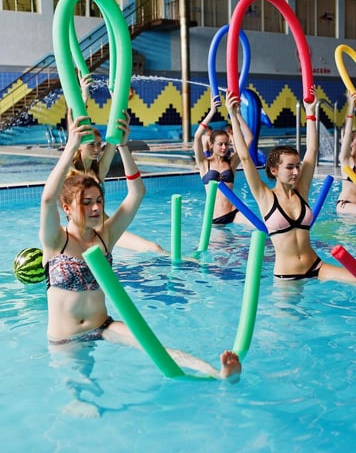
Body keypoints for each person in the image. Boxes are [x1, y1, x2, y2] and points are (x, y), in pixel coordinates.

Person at [40, 111, 241, 393]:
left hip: (103, 325)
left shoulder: (104, 236)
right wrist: (72, 147)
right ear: (68, 209)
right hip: (66, 339)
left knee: (157, 347)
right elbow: (48, 198)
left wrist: (123, 147)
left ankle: (216, 374)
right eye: (87, 203)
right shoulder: (54, 241)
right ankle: (79, 399)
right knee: (81, 388)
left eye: (99, 201)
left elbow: (136, 194)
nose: (96, 208)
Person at [227, 88, 356, 302]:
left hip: (316, 265)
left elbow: (312, 150)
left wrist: (311, 112)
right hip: (287, 275)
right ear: (273, 171)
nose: (296, 172)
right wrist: (234, 115)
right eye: (289, 167)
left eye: (297, 166)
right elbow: (245, 158)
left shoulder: (302, 191)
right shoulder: (264, 196)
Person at [70, 111, 165, 253]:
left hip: (107, 225)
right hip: (92, 228)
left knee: (155, 248)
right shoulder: (72, 174)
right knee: (151, 249)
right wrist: (83, 97)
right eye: (91, 145)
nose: (97, 149)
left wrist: (116, 105)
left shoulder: (98, 172)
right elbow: (74, 126)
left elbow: (114, 142)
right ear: (79, 145)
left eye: (98, 144)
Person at [193, 94, 255, 225]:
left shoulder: (231, 163)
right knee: (224, 246)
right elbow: (197, 137)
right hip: (217, 218)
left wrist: (237, 114)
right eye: (220, 144)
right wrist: (211, 112)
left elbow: (249, 138)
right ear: (212, 145)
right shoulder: (204, 164)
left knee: (261, 231)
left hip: (235, 212)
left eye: (226, 144)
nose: (224, 147)